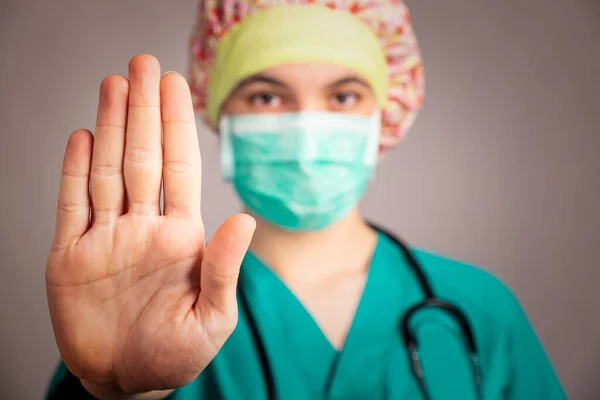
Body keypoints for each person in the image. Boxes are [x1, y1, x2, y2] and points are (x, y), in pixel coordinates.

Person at [44, 0, 567, 399]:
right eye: (267, 96)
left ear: (383, 116)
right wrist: (116, 395)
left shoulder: (480, 309)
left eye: (343, 95)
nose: (308, 127)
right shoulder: (148, 306)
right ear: (218, 111)